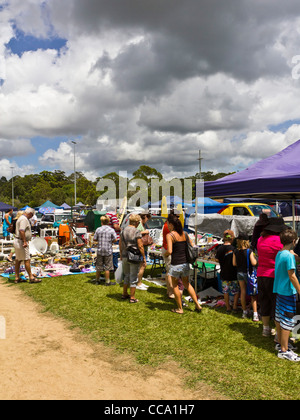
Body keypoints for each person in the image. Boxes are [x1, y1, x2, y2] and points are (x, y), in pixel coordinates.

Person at [257, 217, 288, 337]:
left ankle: (265, 328)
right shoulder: (278, 240)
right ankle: (277, 332)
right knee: (276, 303)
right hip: (274, 275)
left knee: (264, 301)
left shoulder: (261, 239)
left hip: (261, 274)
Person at [165, 214, 202, 314]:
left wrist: (164, 254)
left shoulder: (170, 235)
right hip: (185, 263)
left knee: (175, 286)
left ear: (171, 224)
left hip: (175, 264)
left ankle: (180, 308)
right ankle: (197, 305)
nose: (167, 225)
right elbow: (192, 246)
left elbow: (170, 251)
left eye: (168, 223)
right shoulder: (184, 233)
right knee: (187, 284)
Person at [273, 229, 300, 361]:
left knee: (279, 317)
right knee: (287, 321)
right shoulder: (289, 256)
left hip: (279, 289)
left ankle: (280, 343)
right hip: (288, 292)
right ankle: (284, 350)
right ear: (294, 241)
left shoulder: (280, 253)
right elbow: (292, 276)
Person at [119, 214, 146, 304]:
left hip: (125, 255)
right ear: (136, 222)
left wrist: (121, 254)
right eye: (138, 222)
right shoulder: (136, 231)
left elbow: (120, 243)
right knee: (133, 277)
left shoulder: (123, 230)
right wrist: (144, 257)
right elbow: (140, 245)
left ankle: (124, 293)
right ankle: (132, 297)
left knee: (126, 275)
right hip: (134, 256)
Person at [233, 233, 259, 321]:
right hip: (249, 274)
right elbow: (254, 263)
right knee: (253, 294)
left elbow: (234, 263)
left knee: (242, 292)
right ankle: (255, 314)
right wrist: (256, 259)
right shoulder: (249, 251)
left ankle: (244, 312)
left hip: (239, 273)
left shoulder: (235, 251)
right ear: (247, 241)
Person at [14, 208, 41, 284]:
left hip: (18, 240)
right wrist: (25, 241)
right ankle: (31, 277)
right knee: (27, 259)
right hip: (21, 241)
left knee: (18, 259)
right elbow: (21, 230)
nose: (31, 217)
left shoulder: (21, 218)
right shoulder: (23, 219)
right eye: (31, 215)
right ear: (30, 214)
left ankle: (17, 277)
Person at [216, 230, 239, 313]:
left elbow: (217, 259)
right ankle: (235, 306)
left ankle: (228, 307)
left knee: (225, 291)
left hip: (224, 273)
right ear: (232, 238)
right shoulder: (234, 249)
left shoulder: (219, 248)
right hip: (233, 273)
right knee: (236, 291)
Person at [93, 215, 118, 286]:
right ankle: (107, 281)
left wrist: (100, 239)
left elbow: (94, 239)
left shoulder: (98, 229)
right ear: (108, 222)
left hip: (100, 250)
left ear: (101, 222)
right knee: (108, 267)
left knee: (98, 267)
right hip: (108, 250)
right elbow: (115, 239)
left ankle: (97, 280)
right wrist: (110, 241)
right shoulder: (111, 230)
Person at [136, 213, 151, 291]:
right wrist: (145, 232)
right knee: (142, 265)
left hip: (142, 248)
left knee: (141, 266)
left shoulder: (141, 224)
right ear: (144, 217)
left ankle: (139, 281)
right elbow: (136, 233)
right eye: (147, 218)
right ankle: (138, 283)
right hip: (141, 248)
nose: (147, 220)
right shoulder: (139, 225)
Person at [161, 218, 175, 299]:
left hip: (166, 248)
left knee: (168, 271)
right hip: (168, 249)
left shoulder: (166, 225)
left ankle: (169, 290)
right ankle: (170, 291)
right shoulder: (168, 226)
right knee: (170, 271)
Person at [106, 206, 121, 270]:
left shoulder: (106, 215)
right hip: (114, 236)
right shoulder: (113, 215)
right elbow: (115, 226)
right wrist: (121, 229)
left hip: (107, 236)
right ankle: (115, 267)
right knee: (115, 252)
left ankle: (109, 266)